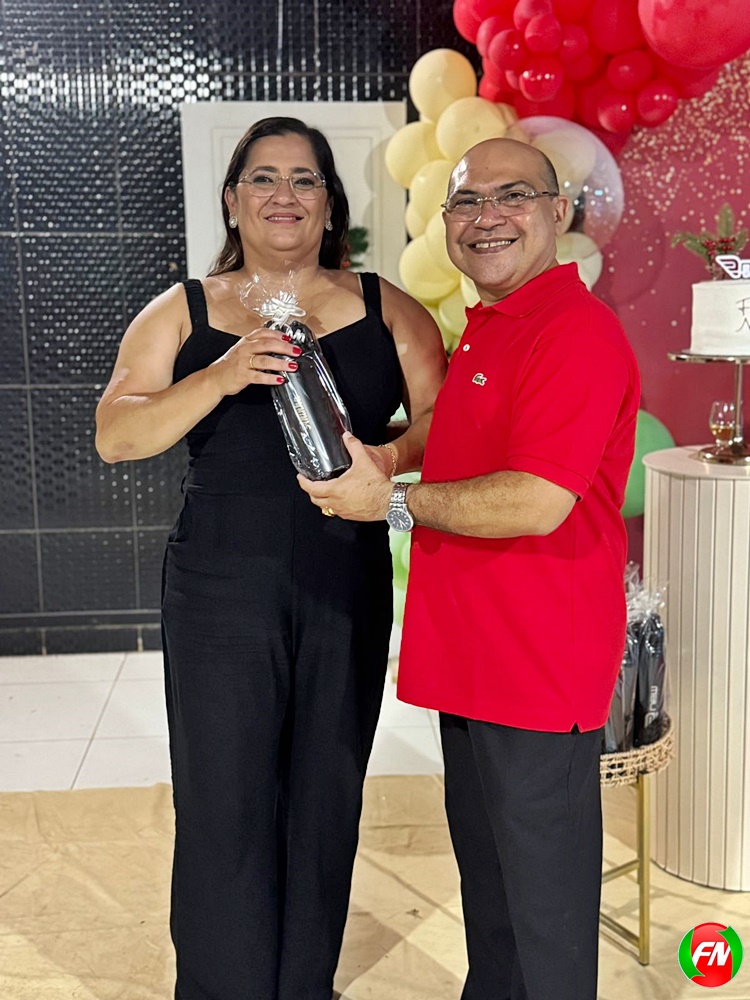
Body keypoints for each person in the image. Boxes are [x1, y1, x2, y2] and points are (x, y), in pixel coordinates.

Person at [95, 116, 446, 1000]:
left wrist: (388, 458)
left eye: (303, 178)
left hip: (344, 578)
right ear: (232, 200)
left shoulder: (386, 307)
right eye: (263, 177)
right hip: (220, 587)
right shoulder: (185, 310)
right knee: (225, 797)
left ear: (330, 202)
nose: (283, 194)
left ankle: (303, 984)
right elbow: (115, 435)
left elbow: (444, 422)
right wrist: (221, 373)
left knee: (326, 791)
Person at [299, 136, 641, 1000]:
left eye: (512, 195)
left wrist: (390, 502)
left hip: (537, 667)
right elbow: (456, 442)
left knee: (544, 918)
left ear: (557, 211)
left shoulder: (574, 333)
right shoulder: (493, 325)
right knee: (494, 904)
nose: (487, 217)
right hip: (476, 661)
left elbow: (536, 499)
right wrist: (379, 453)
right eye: (465, 201)